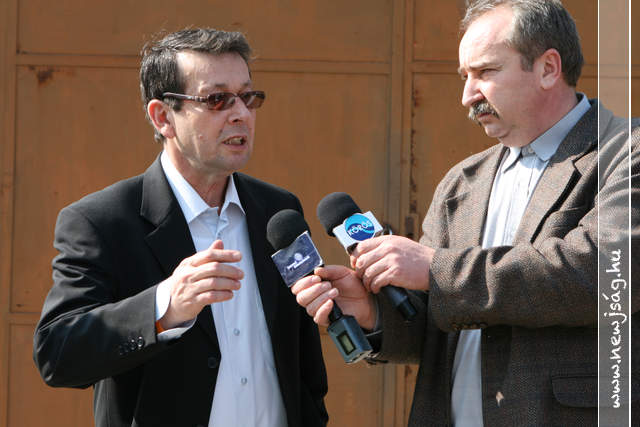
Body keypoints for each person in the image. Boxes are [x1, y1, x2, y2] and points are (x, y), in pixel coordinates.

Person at [292, 0, 638, 425]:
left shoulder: (625, 153)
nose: (467, 96)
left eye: (486, 72)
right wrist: (371, 311)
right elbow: (436, 321)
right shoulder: (463, 181)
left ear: (548, 68)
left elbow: (604, 273)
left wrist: (434, 268)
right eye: (464, 76)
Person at [33, 28, 328, 427]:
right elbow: (57, 353)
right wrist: (164, 307)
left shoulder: (279, 211)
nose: (241, 113)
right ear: (163, 117)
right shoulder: (102, 221)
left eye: (248, 97)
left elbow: (305, 359)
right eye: (217, 99)